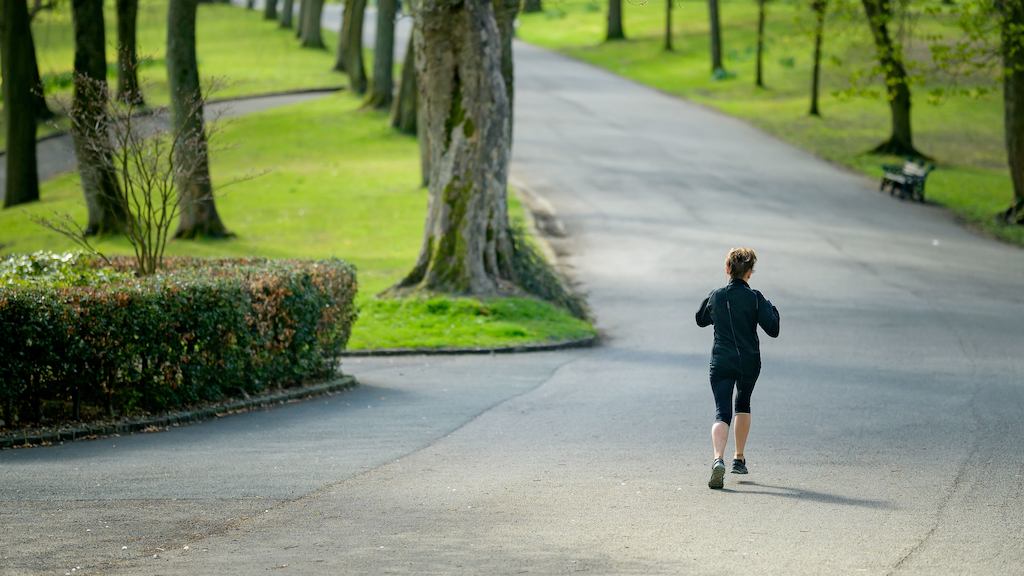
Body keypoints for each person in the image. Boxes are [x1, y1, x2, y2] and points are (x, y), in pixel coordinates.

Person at [695, 248, 780, 489]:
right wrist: (771, 307)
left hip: (721, 360)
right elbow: (773, 329)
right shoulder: (755, 298)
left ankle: (717, 459)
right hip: (749, 361)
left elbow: (701, 319)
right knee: (742, 403)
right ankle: (738, 458)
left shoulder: (717, 296)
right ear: (750, 273)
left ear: (727, 268)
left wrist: (716, 306)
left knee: (722, 411)